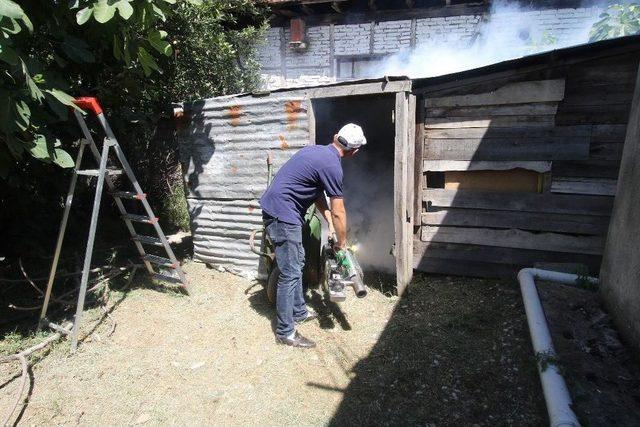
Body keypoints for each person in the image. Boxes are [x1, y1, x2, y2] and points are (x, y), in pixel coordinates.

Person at [259, 123, 367, 348]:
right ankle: (285, 333)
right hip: (282, 214)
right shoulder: (333, 167)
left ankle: (298, 311)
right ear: (354, 151)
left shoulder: (314, 151)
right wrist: (342, 242)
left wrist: (326, 217)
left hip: (280, 209)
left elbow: (316, 192)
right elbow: (339, 210)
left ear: (336, 136)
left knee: (297, 263)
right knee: (289, 272)